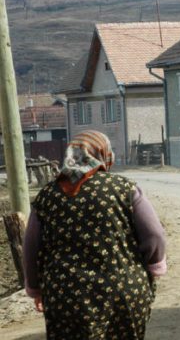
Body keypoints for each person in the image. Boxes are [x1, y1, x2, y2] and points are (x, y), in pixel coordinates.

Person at [22, 130, 167, 339]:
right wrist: (152, 267)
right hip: (123, 289)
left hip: (65, 297)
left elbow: (30, 247)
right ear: (103, 154)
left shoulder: (47, 196)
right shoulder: (125, 189)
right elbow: (155, 235)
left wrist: (35, 289)